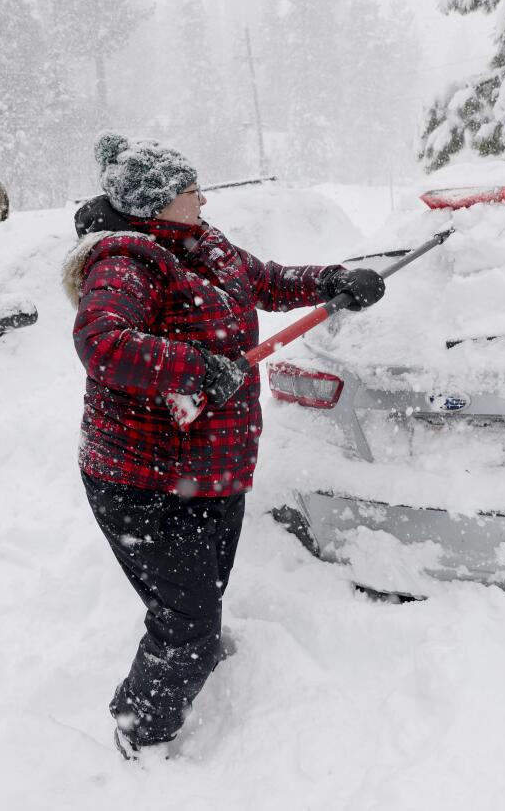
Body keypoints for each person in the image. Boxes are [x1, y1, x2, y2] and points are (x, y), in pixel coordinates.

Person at [61, 132, 385, 760]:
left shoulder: (201, 241)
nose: (203, 198)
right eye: (190, 191)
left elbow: (263, 280)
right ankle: (141, 735)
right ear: (155, 203)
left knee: (201, 595)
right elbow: (101, 343)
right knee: (189, 627)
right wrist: (196, 368)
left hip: (211, 466)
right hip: (141, 477)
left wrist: (333, 279)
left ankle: (189, 645)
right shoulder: (127, 262)